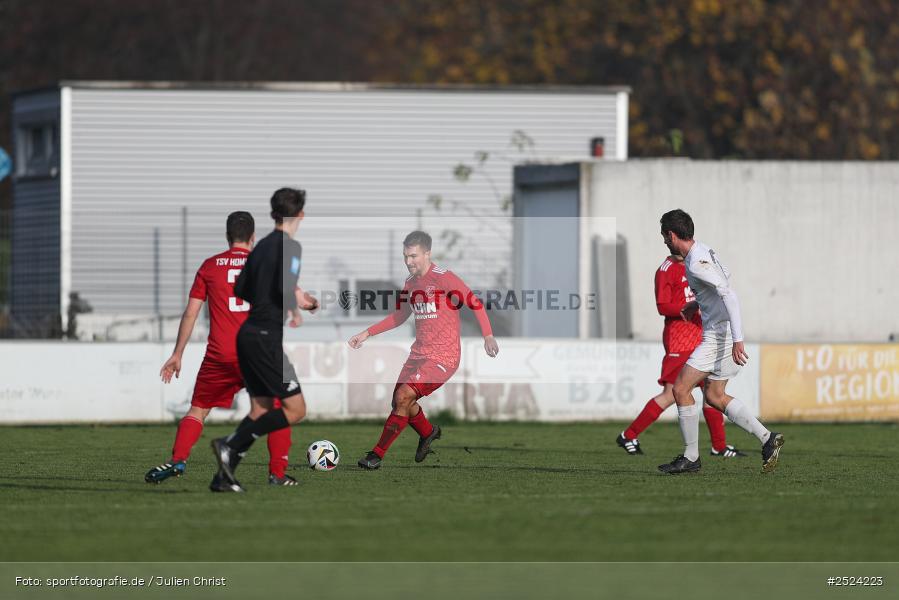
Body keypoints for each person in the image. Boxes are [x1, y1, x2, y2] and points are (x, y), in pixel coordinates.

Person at [144, 211, 294, 486]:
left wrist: (177, 354)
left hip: (220, 353)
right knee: (277, 410)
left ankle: (178, 460)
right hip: (257, 353)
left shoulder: (210, 266)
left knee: (198, 410)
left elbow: (191, 313)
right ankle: (277, 474)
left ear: (227, 236)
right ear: (253, 237)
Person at [348, 231, 499, 469]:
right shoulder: (410, 283)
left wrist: (488, 335)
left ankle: (376, 455)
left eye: (413, 256)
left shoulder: (444, 278)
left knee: (403, 396)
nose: (408, 261)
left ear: (427, 254)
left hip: (443, 357)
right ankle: (428, 432)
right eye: (405, 256)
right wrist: (367, 333)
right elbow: (399, 316)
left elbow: (474, 303)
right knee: (400, 402)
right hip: (418, 354)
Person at [657, 209, 784, 474]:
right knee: (715, 396)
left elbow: (728, 294)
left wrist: (738, 339)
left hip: (717, 337)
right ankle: (767, 438)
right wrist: (697, 303)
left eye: (664, 237)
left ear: (672, 235)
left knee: (680, 390)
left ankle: (691, 457)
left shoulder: (694, 262)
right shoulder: (703, 250)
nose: (665, 242)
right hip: (721, 334)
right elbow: (724, 275)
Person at [209, 188, 319, 492]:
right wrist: (295, 309)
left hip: (247, 336)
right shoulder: (291, 247)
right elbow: (286, 284)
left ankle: (223, 477)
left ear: (273, 214)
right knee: (296, 410)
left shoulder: (259, 248)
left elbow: (241, 289)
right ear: (301, 215)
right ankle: (230, 444)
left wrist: (269, 299)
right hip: (266, 339)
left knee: (260, 409)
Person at [616, 253, 746, 458]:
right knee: (671, 393)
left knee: (711, 391)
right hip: (680, 339)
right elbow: (663, 306)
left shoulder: (695, 263)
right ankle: (629, 435)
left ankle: (719, 446)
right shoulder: (666, 270)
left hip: (701, 338)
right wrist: (693, 307)